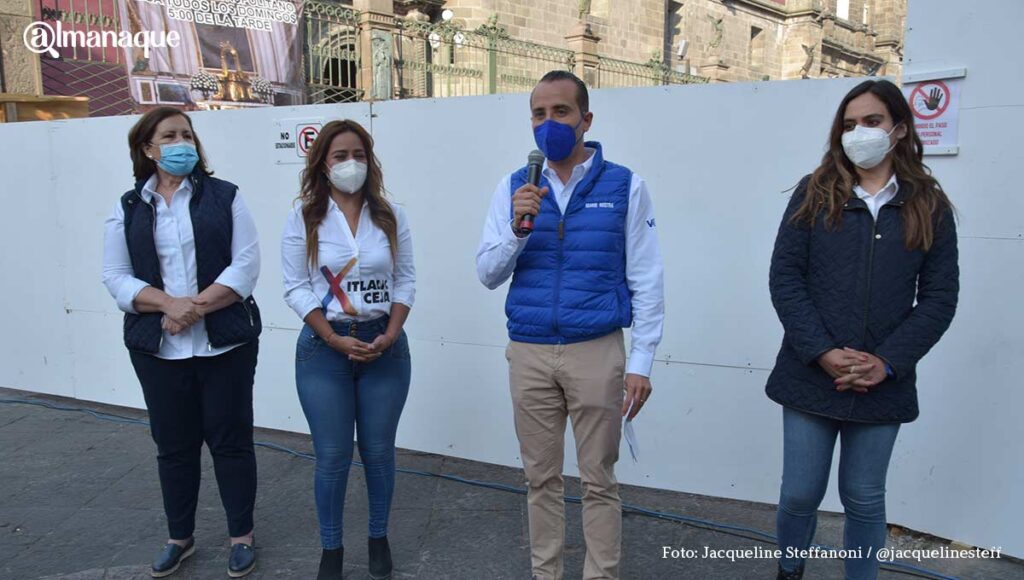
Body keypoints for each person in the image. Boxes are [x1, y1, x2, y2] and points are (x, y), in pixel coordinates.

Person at [766, 80, 959, 580]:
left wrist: (887, 363)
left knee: (865, 497)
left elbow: (939, 298)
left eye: (871, 122)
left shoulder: (928, 205)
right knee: (800, 492)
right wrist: (823, 351)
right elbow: (786, 278)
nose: (859, 133)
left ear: (899, 129)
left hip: (883, 383)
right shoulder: (813, 194)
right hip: (812, 374)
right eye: (849, 124)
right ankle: (789, 571)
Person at [476, 70, 665, 580]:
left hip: (596, 350)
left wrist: (641, 361)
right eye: (539, 113)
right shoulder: (515, 186)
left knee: (599, 478)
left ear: (586, 118)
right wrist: (518, 230)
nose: (549, 123)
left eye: (560, 112)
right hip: (530, 351)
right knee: (540, 478)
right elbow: (488, 273)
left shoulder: (626, 185)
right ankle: (546, 574)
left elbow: (647, 277)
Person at [102, 107, 262, 578]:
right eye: (169, 136)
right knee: (172, 445)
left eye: (187, 135)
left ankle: (242, 537)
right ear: (148, 148)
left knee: (231, 441)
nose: (181, 144)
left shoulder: (226, 196)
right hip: (159, 349)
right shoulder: (129, 206)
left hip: (224, 344)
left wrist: (192, 307)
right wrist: (168, 307)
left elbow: (245, 266)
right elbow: (115, 277)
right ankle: (180, 537)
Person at [281, 120, 415, 580]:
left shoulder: (391, 215)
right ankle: (331, 550)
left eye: (358, 154)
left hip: (384, 346)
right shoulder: (304, 217)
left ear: (369, 159)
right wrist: (334, 338)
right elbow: (296, 287)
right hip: (324, 349)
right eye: (339, 156)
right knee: (333, 456)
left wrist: (392, 332)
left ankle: (378, 538)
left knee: (379, 452)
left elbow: (406, 280)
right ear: (322, 164)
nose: (350, 163)